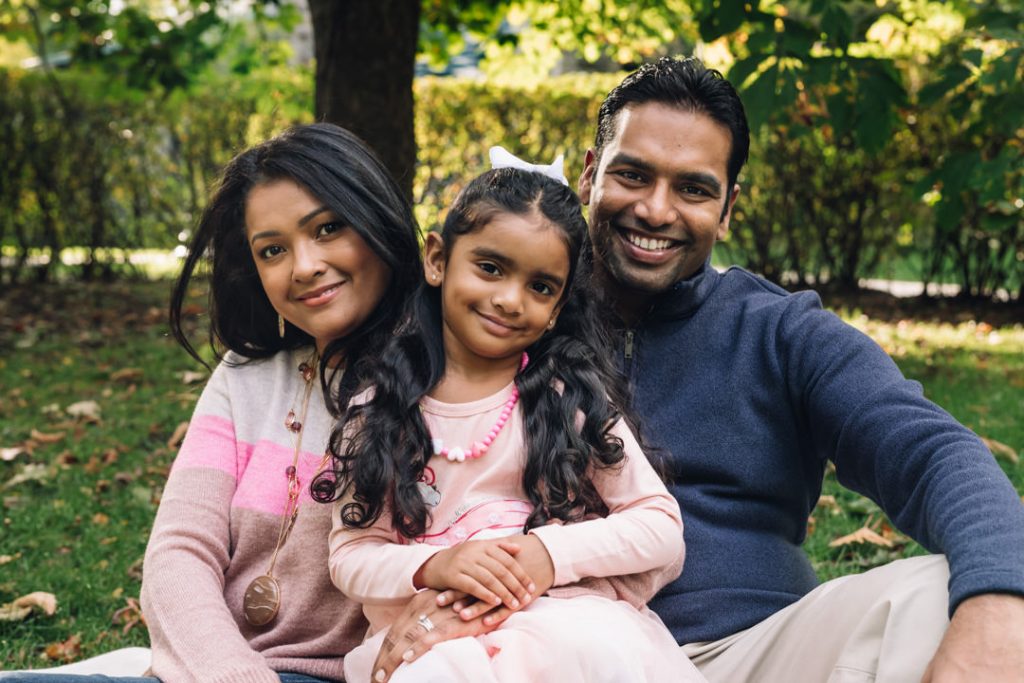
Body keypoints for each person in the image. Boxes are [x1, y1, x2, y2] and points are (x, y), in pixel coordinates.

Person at [372, 58, 1024, 682]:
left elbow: (930, 451)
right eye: (633, 175)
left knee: (939, 590)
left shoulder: (781, 331)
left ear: (729, 206)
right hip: (546, 647)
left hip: (755, 653)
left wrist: (998, 604)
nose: (656, 210)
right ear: (591, 174)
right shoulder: (501, 320)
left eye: (692, 188)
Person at [1, 123, 423, 683]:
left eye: (328, 229)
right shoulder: (245, 375)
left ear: (378, 222)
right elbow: (178, 553)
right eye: (272, 250)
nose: (303, 266)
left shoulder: (449, 378)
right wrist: (230, 672)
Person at [316, 158, 702, 683]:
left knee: (590, 653)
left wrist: (546, 553)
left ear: (558, 306)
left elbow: (659, 527)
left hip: (559, 622)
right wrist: (434, 567)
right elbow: (350, 553)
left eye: (541, 287)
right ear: (437, 259)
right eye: (490, 268)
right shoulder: (380, 412)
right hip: (432, 640)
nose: (509, 299)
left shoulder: (569, 402)